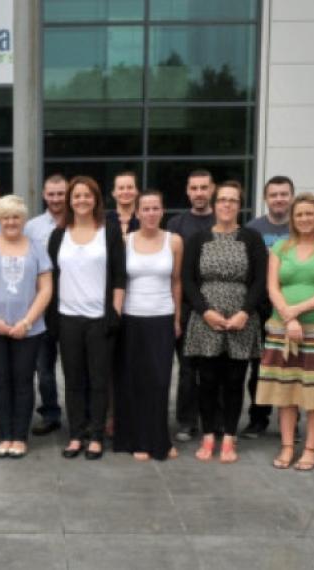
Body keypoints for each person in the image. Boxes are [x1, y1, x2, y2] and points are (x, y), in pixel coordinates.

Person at [256, 193, 314, 471]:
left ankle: (310, 449)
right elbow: (272, 287)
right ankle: (287, 446)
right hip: (282, 329)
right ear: (292, 219)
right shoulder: (280, 248)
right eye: (299, 215)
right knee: (286, 390)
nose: (304, 219)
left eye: (309, 214)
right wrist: (288, 317)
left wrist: (295, 311)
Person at [182, 182, 267, 463]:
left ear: (239, 205)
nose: (227, 205)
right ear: (215, 204)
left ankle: (229, 438)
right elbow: (188, 280)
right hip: (206, 318)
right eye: (222, 200)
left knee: (234, 380)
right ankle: (208, 436)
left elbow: (259, 280)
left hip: (242, 318)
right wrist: (205, 311)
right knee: (206, 380)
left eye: (233, 200)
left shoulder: (251, 238)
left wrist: (245, 311)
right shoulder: (198, 238)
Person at [47, 176, 126, 460]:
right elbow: (52, 278)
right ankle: (75, 435)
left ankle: (96, 436)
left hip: (100, 318)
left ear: (96, 199)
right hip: (68, 318)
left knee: (99, 379)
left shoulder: (109, 231)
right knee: (73, 380)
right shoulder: (59, 235)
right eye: (76, 195)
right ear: (70, 200)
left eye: (87, 195)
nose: (81, 200)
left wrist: (114, 312)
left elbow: (119, 275)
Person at [0, 195, 53, 459]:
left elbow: (46, 288)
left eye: (16, 217)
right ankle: (4, 435)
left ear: (23, 219)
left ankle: (20, 436)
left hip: (29, 328)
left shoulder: (37, 247)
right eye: (5, 217)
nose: (11, 222)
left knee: (23, 381)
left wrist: (27, 321)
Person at [114, 190, 182, 461]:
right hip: (131, 318)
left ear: (162, 211)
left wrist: (177, 318)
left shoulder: (174, 241)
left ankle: (159, 440)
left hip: (162, 317)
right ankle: (137, 440)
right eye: (146, 208)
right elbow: (119, 281)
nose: (151, 213)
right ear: (138, 213)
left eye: (156, 208)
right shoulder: (124, 240)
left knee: (160, 381)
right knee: (132, 382)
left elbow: (176, 281)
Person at [240, 175, 295, 439]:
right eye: (274, 195)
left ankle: (291, 423)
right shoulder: (253, 229)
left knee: (292, 366)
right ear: (266, 198)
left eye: (284, 194)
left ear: (291, 197)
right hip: (260, 307)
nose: (279, 199)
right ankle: (258, 418)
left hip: (294, 308)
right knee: (259, 366)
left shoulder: (302, 226)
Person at [166, 170, 216, 443]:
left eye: (204, 187)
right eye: (194, 188)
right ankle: (186, 421)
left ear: (212, 190)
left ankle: (213, 419)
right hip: (184, 306)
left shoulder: (222, 220)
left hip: (217, 306)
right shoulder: (176, 224)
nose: (199, 193)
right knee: (186, 369)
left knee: (212, 368)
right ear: (187, 191)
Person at [24, 174, 67, 436]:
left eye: (60, 193)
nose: (55, 199)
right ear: (43, 194)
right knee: (44, 366)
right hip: (42, 304)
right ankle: (50, 414)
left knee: (77, 367)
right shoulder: (32, 227)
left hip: (74, 303)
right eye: (51, 194)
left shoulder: (80, 224)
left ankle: (83, 414)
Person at [106, 171, 140, 237]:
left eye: (130, 187)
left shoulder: (145, 220)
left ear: (137, 191)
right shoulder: (104, 222)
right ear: (113, 193)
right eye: (121, 188)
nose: (125, 191)